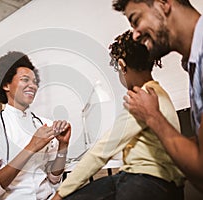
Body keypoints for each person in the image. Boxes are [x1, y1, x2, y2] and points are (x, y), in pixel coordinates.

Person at [52, 30, 184, 200]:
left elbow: (102, 151)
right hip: (164, 181)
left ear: (122, 65)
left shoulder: (142, 99)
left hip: (144, 181)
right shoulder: (158, 93)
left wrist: (59, 194)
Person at [112, 0, 203, 190]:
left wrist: (152, 116)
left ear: (163, 3)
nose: (135, 35)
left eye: (136, 20)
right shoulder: (194, 65)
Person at [0, 51, 71, 199]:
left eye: (34, 81)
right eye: (25, 80)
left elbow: (54, 178)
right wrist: (32, 146)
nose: (33, 86)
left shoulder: (45, 124)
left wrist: (63, 146)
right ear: (6, 84)